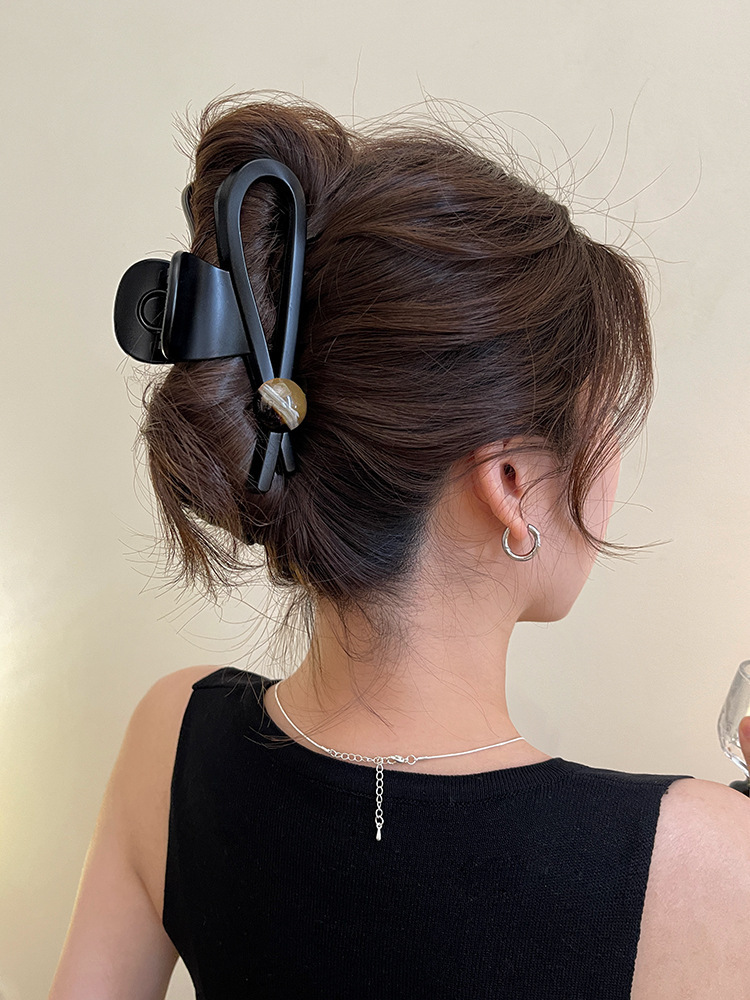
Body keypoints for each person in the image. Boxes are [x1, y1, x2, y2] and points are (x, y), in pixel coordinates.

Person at [49, 94, 750, 999]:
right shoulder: (704, 858)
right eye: (605, 424)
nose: (613, 468)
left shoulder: (173, 737)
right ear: (510, 483)